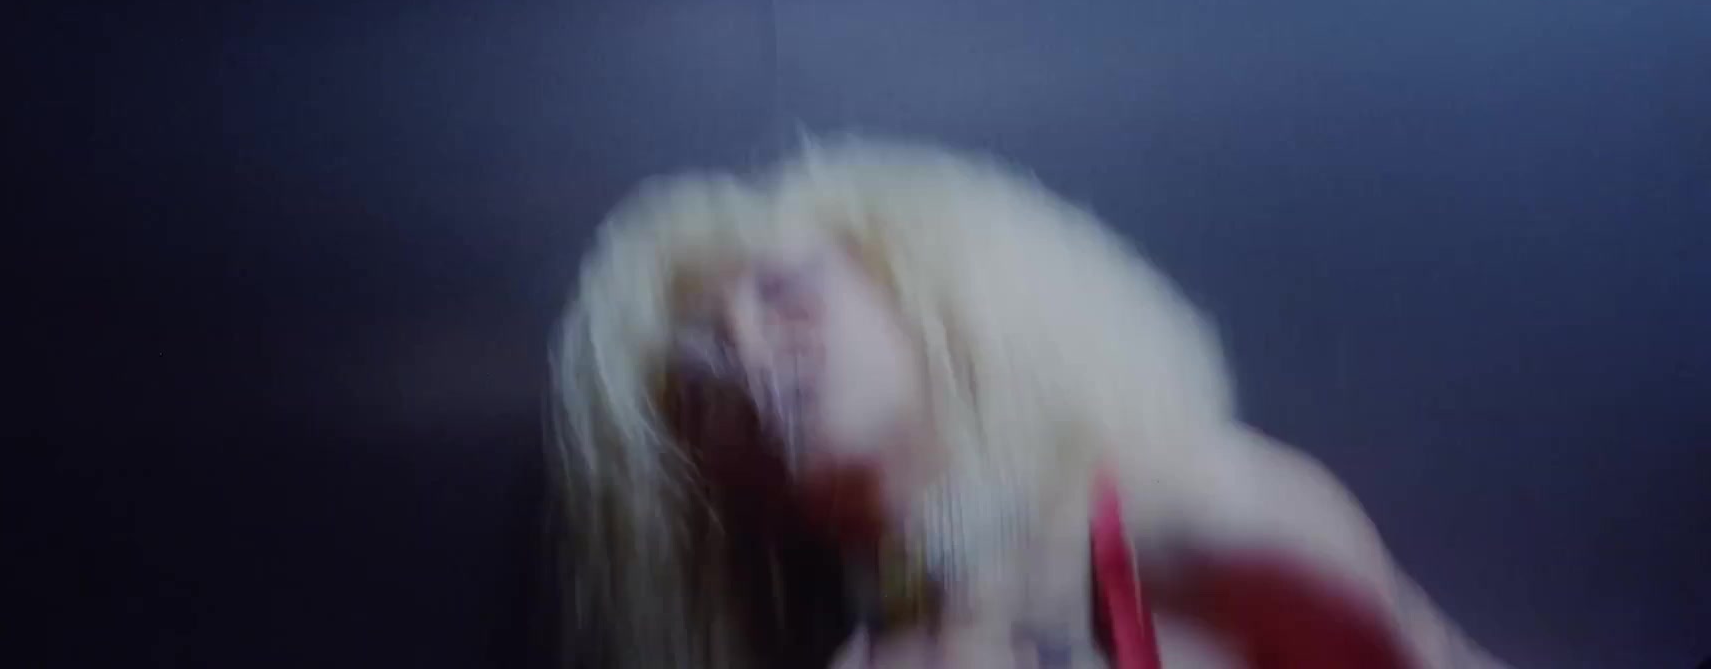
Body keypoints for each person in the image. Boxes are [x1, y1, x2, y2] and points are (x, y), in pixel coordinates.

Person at [547, 139, 1511, 668]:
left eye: (786, 294)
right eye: (702, 383)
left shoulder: (1192, 524)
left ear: (919, 290)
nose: (754, 360)